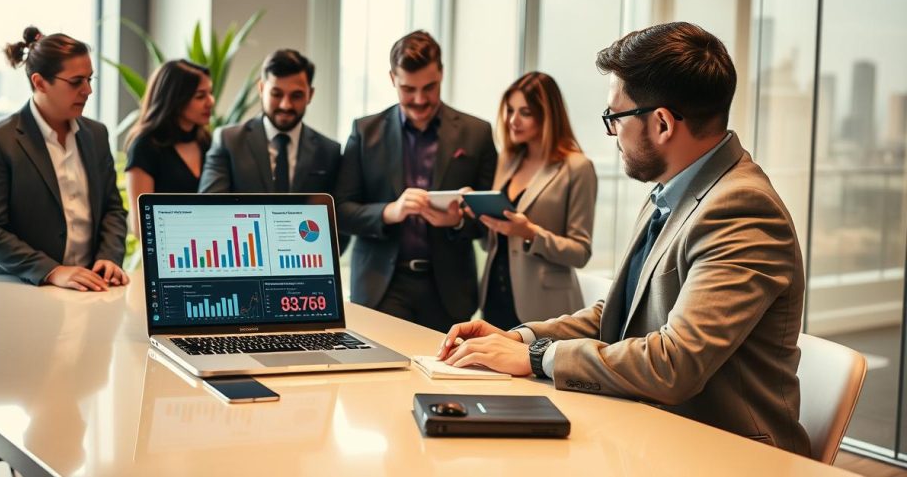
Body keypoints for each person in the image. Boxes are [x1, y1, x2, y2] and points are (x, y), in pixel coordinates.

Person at [437, 22, 811, 456]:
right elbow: (617, 311)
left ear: (663, 124)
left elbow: (676, 364)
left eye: (614, 117)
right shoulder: (669, 192)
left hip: (725, 453)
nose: (611, 134)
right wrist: (517, 339)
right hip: (653, 430)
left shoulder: (742, 208)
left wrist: (539, 357)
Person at [335, 30, 497, 332]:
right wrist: (389, 212)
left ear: (442, 74)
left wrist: (457, 222)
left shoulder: (477, 133)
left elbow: (490, 221)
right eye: (408, 89)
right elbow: (341, 211)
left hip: (448, 291)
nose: (420, 100)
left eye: (430, 87)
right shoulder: (364, 132)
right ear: (391, 79)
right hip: (381, 288)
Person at [0, 27, 128, 292]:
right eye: (76, 82)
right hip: (15, 290)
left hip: (88, 289)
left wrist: (108, 258)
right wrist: (51, 271)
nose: (87, 90)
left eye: (90, 79)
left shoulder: (96, 134)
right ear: (40, 82)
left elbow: (113, 209)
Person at [474, 72, 596, 330]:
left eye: (525, 113)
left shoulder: (577, 168)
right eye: (509, 111)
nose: (512, 121)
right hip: (496, 295)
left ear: (547, 115)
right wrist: (474, 210)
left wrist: (530, 233)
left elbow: (581, 252)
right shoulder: (507, 161)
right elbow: (491, 242)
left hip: (544, 307)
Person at [199, 49, 342, 197]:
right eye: (276, 94)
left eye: (296, 95)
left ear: (310, 95)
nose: (285, 105)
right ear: (261, 89)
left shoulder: (329, 151)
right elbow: (209, 207)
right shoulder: (229, 141)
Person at [125, 59, 214, 233]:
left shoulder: (208, 142)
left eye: (210, 93)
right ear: (175, 99)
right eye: (200, 96)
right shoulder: (145, 147)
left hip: (209, 251)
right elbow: (140, 227)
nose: (210, 101)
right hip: (170, 254)